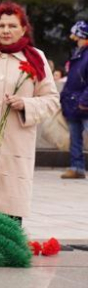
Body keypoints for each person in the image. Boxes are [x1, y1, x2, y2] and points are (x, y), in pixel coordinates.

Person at [0, 2, 59, 221]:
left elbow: (52, 100)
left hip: (15, 150)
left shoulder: (35, 58)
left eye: (12, 26)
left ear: (23, 28)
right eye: (1, 26)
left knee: (9, 217)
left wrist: (26, 104)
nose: (6, 31)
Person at [60, 20, 88, 179]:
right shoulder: (77, 54)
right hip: (73, 103)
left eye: (77, 37)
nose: (74, 40)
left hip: (83, 103)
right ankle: (77, 168)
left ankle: (77, 167)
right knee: (74, 138)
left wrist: (84, 101)